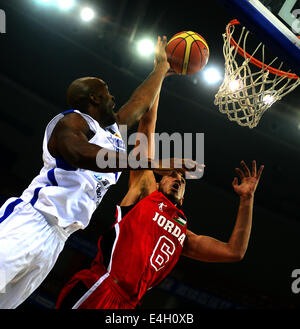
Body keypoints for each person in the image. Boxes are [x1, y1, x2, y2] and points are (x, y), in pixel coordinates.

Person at [0, 36, 194, 309]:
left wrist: (161, 69)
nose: (114, 98)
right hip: (30, 221)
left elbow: (140, 104)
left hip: (58, 239)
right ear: (94, 98)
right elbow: (82, 154)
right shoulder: (71, 121)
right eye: (107, 93)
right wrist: (148, 163)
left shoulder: (109, 134)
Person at [56, 85, 264, 309]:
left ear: (183, 200)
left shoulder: (183, 235)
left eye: (183, 182)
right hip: (103, 285)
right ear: (157, 181)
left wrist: (247, 200)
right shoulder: (146, 193)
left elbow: (234, 252)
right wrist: (158, 85)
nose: (178, 179)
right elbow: (146, 131)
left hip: (128, 305)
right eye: (173, 176)